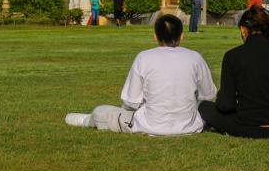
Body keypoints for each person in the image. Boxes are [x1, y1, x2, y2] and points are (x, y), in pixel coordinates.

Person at [65, 14, 216, 135]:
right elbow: (209, 95)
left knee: (101, 111)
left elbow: (130, 102)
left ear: (155, 36)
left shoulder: (144, 57)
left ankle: (85, 120)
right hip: (190, 124)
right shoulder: (195, 57)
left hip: (149, 124)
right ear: (181, 36)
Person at [199, 6, 269, 139]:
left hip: (248, 127)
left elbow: (226, 105)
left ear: (243, 29)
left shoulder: (232, 56)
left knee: (204, 107)